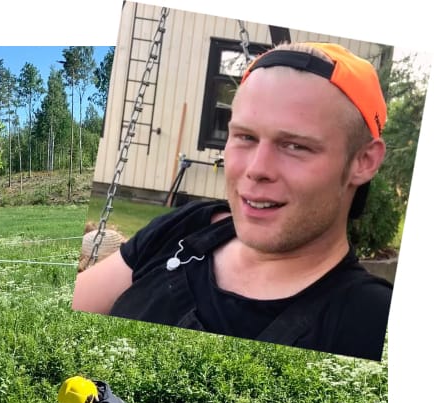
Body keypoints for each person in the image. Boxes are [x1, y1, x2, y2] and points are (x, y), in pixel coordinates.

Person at [72, 42, 392, 361]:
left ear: (363, 161)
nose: (256, 170)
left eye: (295, 146)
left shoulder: (371, 322)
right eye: (245, 137)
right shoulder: (187, 229)